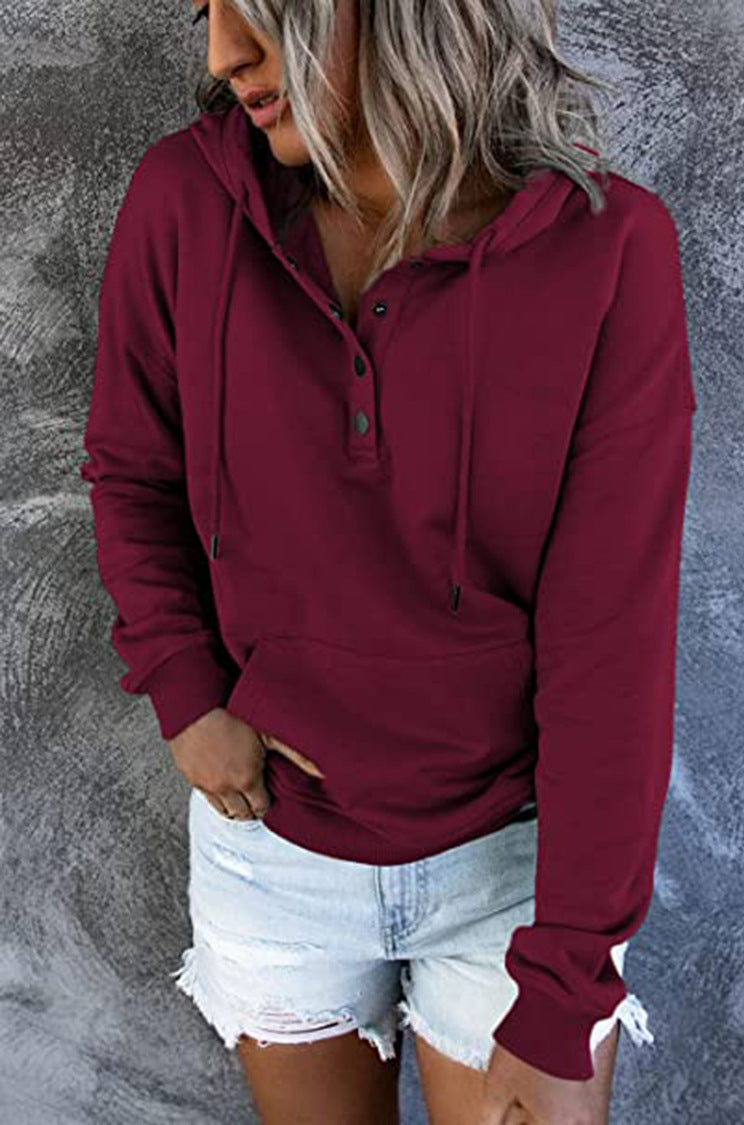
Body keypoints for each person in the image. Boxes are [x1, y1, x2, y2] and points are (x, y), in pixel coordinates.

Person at [79, 1, 697, 1122]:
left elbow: (613, 640)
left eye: (265, 8)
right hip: (273, 850)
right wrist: (183, 689)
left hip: (521, 868)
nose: (223, 52)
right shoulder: (185, 201)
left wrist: (566, 979)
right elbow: (132, 467)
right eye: (210, 9)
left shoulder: (607, 251)